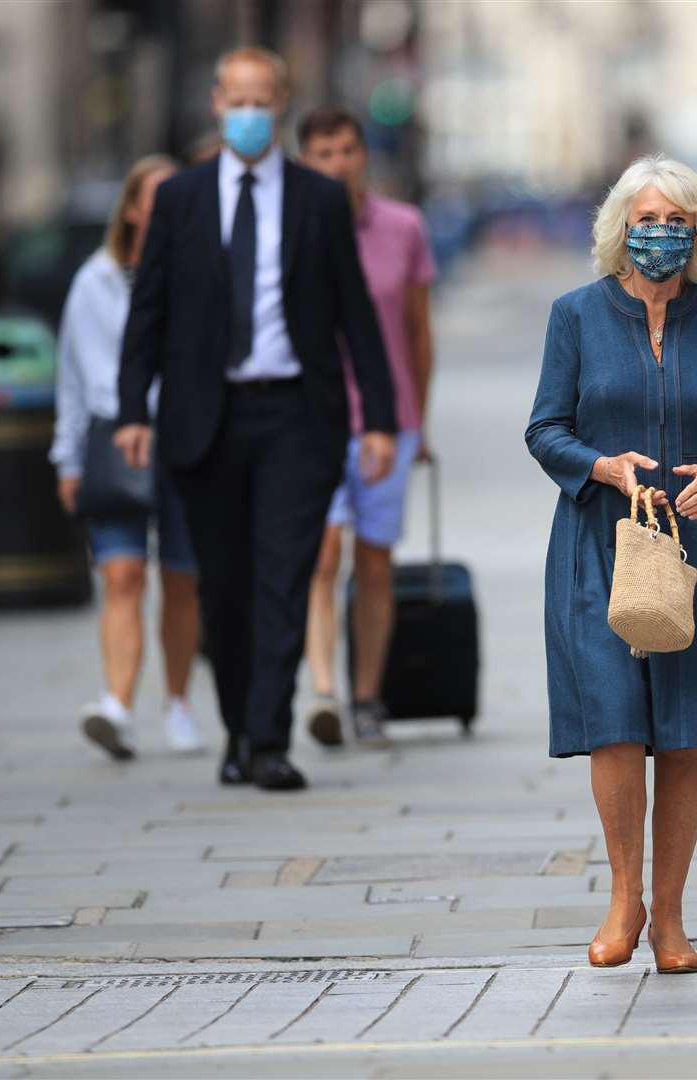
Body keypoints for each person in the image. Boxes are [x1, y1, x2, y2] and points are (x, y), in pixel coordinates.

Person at [116, 47, 398, 792]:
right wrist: (130, 410)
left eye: (261, 100)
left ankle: (269, 739)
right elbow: (148, 312)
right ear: (216, 103)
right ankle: (238, 726)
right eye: (235, 100)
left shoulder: (316, 198)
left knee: (283, 574)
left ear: (280, 105)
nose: (247, 113)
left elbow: (354, 315)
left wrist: (382, 420)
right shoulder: (178, 199)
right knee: (224, 586)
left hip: (298, 418)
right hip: (204, 417)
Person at [526, 155, 697, 974]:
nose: (662, 234)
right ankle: (622, 897)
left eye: (678, 221)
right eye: (648, 219)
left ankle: (669, 918)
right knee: (614, 725)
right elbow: (545, 429)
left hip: (695, 547)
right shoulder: (575, 315)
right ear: (618, 228)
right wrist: (602, 467)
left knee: (684, 735)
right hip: (602, 542)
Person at [51, 154, 205, 762]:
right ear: (133, 208)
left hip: (185, 437)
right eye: (152, 198)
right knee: (121, 574)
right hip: (114, 437)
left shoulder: (203, 273)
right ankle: (116, 703)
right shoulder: (97, 280)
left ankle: (179, 702)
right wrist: (66, 457)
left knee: (181, 578)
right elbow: (70, 372)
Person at [294, 107, 436, 748]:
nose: (338, 164)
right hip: (313, 420)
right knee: (321, 555)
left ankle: (367, 694)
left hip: (389, 420)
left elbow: (417, 331)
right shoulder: (290, 230)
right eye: (323, 153)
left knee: (375, 562)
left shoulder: (402, 227)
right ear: (305, 161)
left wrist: (419, 422)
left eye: (347, 150)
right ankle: (323, 687)